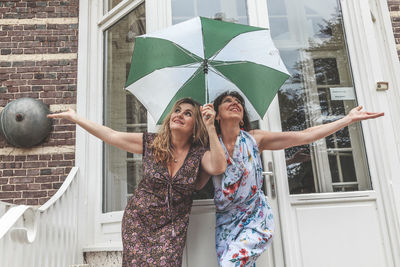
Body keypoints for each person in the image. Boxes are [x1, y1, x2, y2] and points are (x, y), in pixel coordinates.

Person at [206, 91, 384, 267]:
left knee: (230, 264)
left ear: (243, 118)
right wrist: (210, 128)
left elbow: (306, 135)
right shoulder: (211, 147)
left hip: (255, 218)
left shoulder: (255, 139)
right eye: (227, 101)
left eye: (238, 101)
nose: (235, 102)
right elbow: (222, 169)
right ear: (217, 115)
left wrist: (348, 119)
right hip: (226, 223)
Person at [47, 98, 227, 266]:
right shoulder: (152, 143)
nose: (179, 114)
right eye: (177, 110)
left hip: (172, 230)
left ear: (196, 125)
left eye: (188, 113)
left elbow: (218, 167)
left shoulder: (198, 154)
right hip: (138, 223)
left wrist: (210, 127)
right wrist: (76, 117)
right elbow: (111, 135)